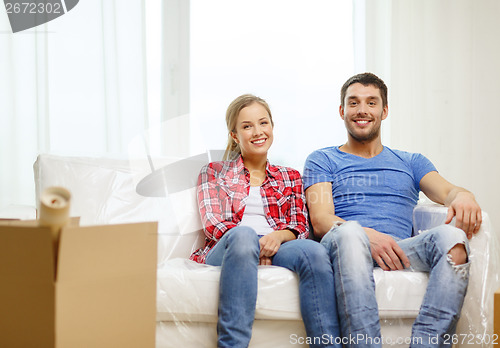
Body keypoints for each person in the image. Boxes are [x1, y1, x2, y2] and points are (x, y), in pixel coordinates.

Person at [303, 73, 482, 347]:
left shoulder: (411, 162)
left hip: (399, 251)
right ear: (342, 111)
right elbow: (321, 219)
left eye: (371, 103)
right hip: (345, 248)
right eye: (354, 103)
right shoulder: (323, 159)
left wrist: (465, 196)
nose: (362, 110)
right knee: (350, 235)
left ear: (384, 111)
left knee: (453, 240)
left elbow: (448, 191)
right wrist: (367, 236)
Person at [190, 94, 341, 348]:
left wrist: (276, 238)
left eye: (263, 123)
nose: (257, 132)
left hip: (277, 245)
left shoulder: (290, 175)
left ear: (272, 127)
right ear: (235, 135)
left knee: (314, 251)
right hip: (230, 246)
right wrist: (252, 245)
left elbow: (301, 225)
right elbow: (213, 224)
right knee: (244, 236)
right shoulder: (213, 171)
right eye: (247, 126)